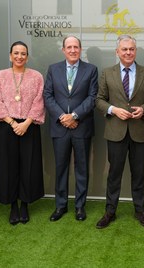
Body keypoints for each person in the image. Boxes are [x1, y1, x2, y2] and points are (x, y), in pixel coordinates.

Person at [95, 34, 144, 228]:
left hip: (139, 131)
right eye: (124, 49)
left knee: (138, 174)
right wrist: (113, 110)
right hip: (115, 131)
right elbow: (99, 100)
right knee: (114, 173)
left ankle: (140, 211)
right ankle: (110, 211)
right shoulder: (107, 73)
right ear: (117, 52)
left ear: (135, 51)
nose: (128, 52)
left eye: (131, 49)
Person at [0, 41, 45, 225]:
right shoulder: (0, 76)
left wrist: (26, 123)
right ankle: (13, 204)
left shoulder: (36, 76)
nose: (19, 56)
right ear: (10, 55)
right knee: (9, 166)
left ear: (27, 57)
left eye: (23, 53)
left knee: (28, 166)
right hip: (7, 126)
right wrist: (13, 123)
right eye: (16, 53)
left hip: (30, 126)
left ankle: (25, 204)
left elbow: (39, 101)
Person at [44, 36, 98, 222]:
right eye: (69, 47)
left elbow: (92, 98)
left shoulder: (91, 70)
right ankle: (60, 206)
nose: (73, 50)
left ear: (81, 49)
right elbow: (48, 96)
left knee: (82, 168)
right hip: (60, 128)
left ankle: (80, 206)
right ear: (63, 50)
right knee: (60, 168)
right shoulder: (53, 69)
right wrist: (62, 117)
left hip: (81, 126)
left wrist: (74, 116)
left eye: (76, 47)